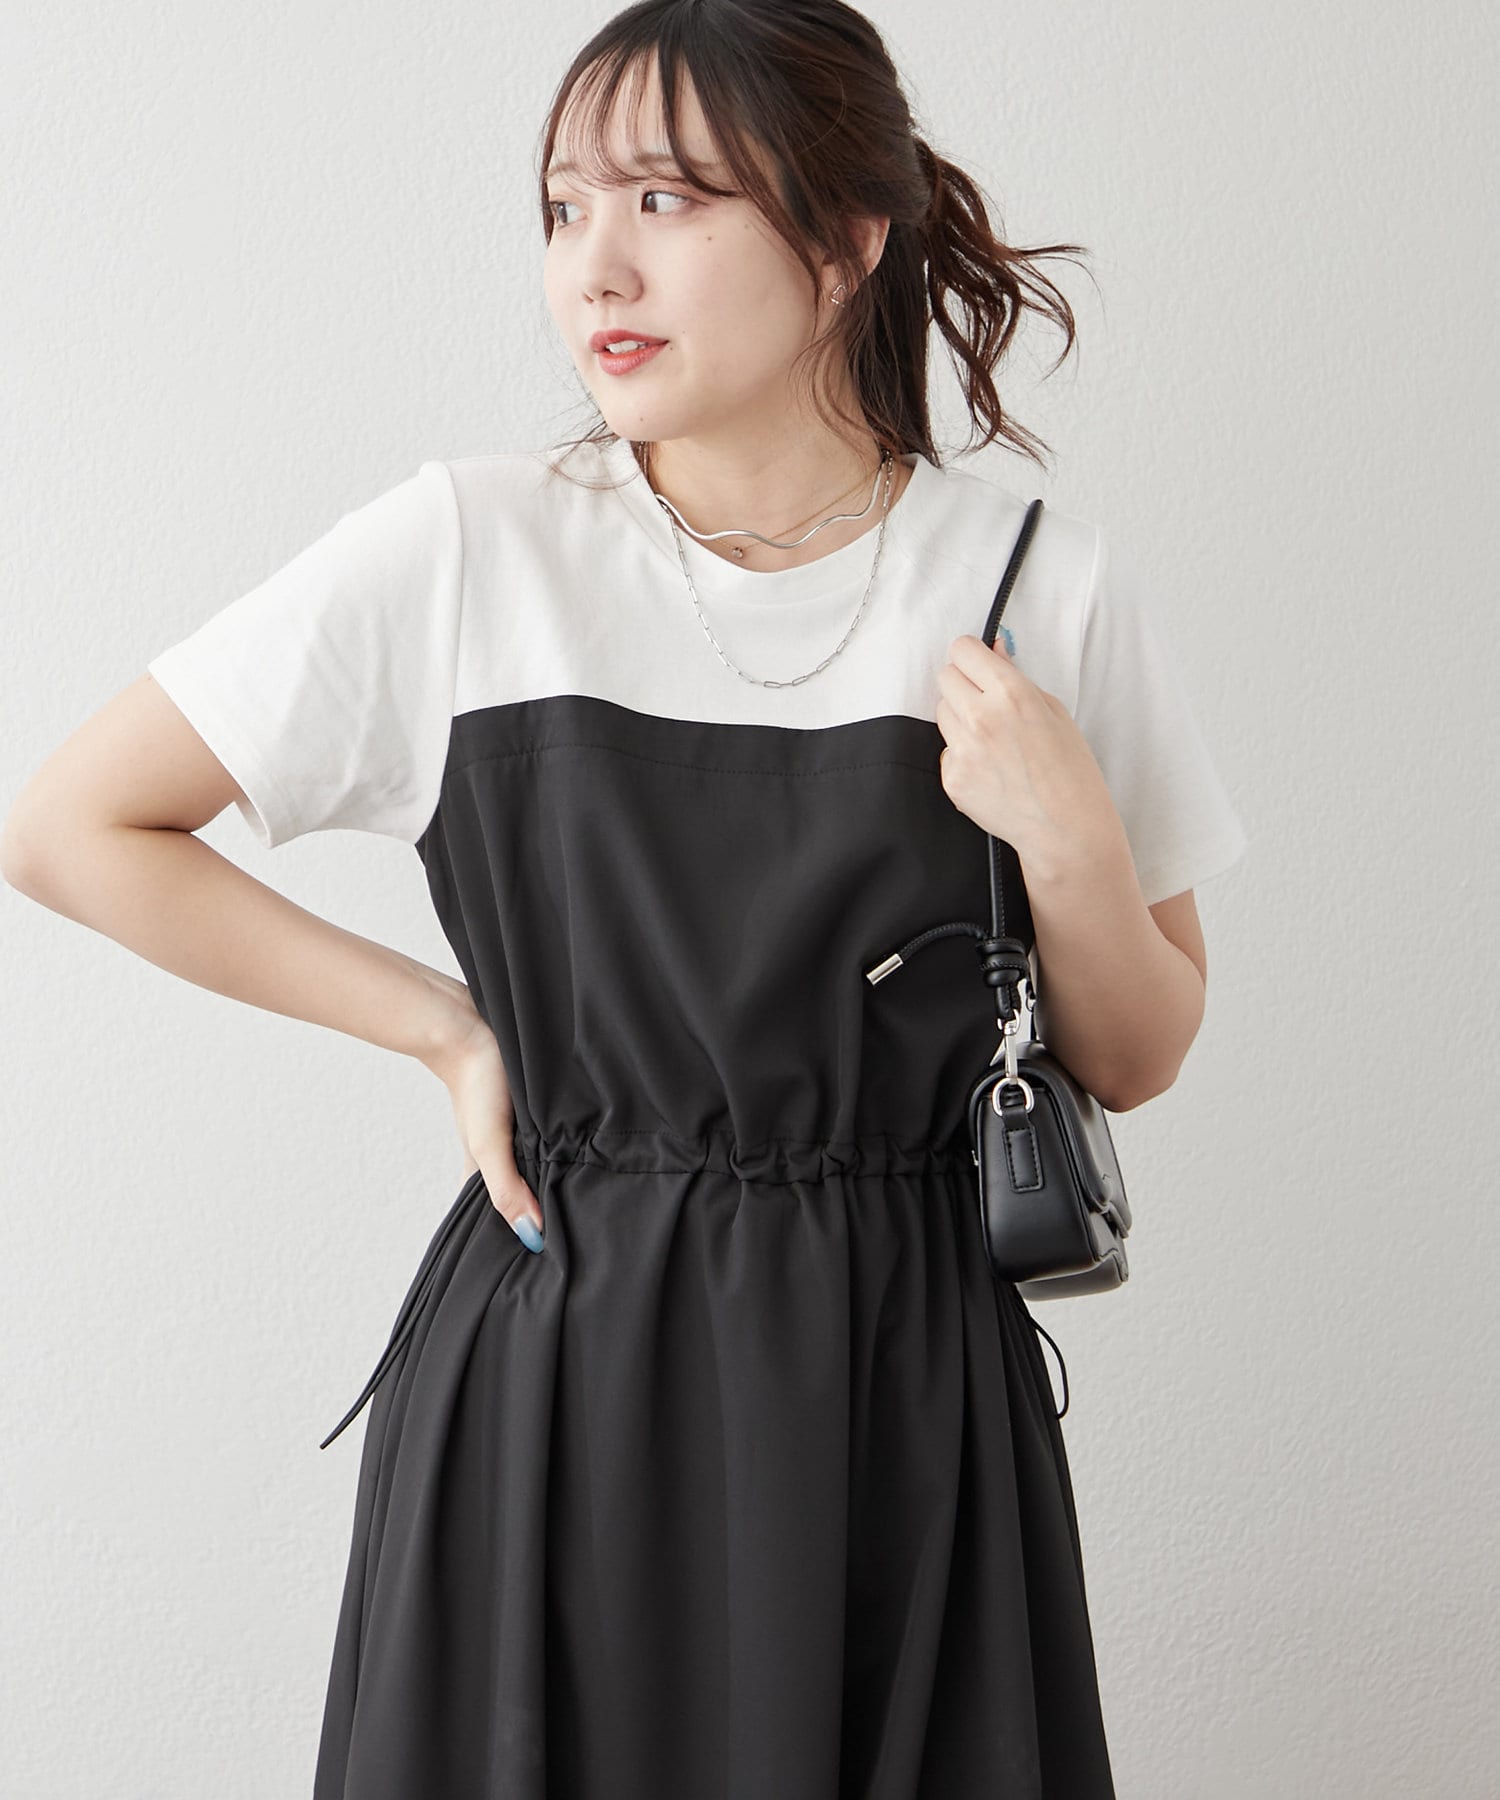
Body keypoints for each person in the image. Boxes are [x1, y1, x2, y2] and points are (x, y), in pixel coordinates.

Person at [2, 2, 1248, 1794]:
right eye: (563, 207)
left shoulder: (1029, 581)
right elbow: (71, 826)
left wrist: (1069, 841)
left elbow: (1140, 1052)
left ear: (847, 238)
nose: (596, 263)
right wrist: (446, 1031)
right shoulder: (473, 549)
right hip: (563, 1372)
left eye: (664, 199)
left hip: (896, 1393)